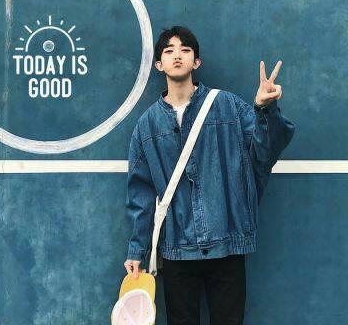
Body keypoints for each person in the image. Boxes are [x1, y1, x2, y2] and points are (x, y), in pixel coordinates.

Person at [123, 26, 295, 325]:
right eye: (169, 51)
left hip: (226, 243)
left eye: (185, 50)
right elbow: (141, 193)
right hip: (177, 250)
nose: (178, 55)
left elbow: (266, 150)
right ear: (159, 64)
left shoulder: (228, 105)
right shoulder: (147, 125)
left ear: (197, 61)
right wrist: (137, 249)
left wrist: (265, 109)